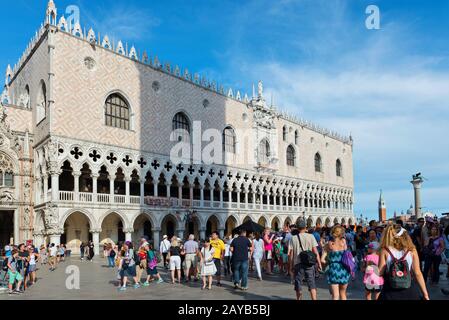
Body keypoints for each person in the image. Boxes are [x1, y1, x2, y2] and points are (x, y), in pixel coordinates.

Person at [378, 223, 429, 300]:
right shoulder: (412, 250)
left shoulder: (384, 250)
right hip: (409, 289)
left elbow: (380, 272)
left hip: (390, 290)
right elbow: (417, 273)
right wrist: (425, 294)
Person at [288, 220, 322, 300]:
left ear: (297, 227)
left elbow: (291, 254)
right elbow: (315, 251)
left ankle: (299, 298)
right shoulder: (311, 236)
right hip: (309, 264)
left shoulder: (293, 238)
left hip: (298, 264)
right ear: (305, 227)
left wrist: (290, 266)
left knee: (298, 283)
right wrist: (319, 263)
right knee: (311, 283)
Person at [321, 226, 351, 300]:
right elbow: (346, 254)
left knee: (335, 296)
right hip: (344, 269)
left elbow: (322, 260)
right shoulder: (343, 242)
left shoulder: (329, 244)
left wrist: (329, 262)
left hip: (333, 269)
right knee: (343, 294)